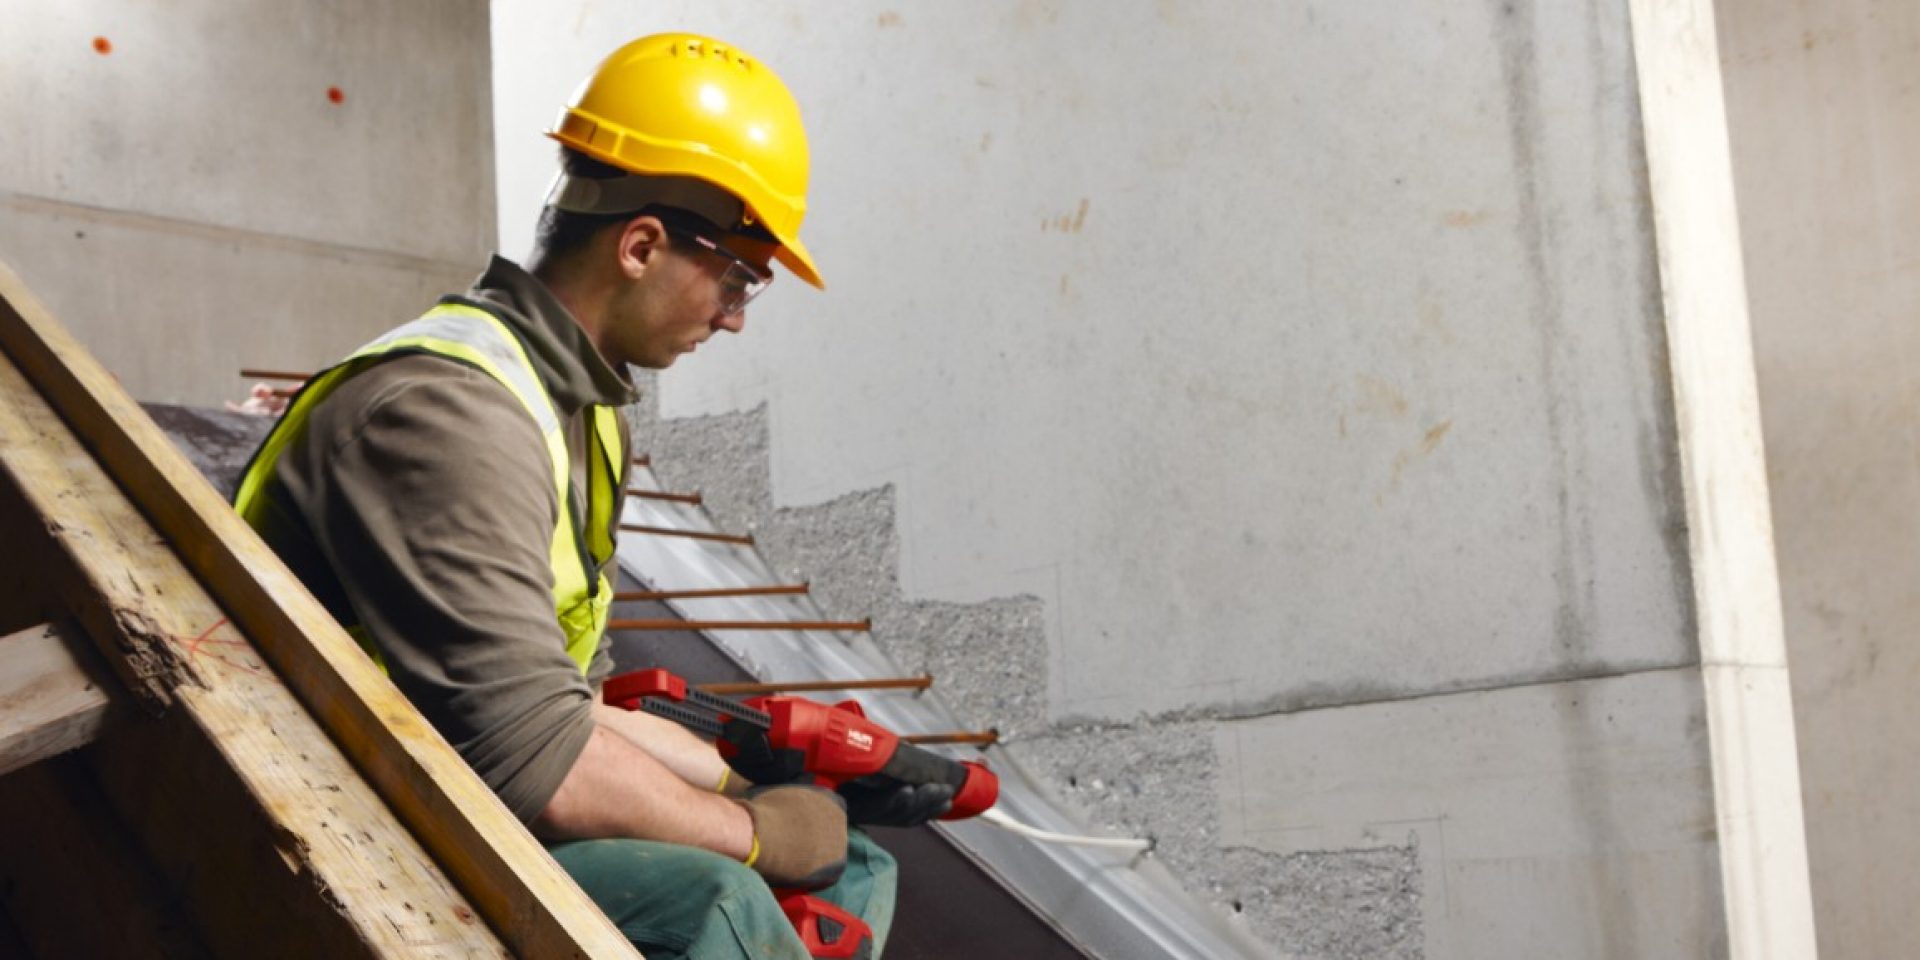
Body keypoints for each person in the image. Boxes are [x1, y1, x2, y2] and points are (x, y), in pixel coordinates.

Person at [233, 33, 943, 958]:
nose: (732, 316)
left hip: (442, 779)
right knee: (713, 900)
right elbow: (535, 757)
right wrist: (761, 833)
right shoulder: (447, 413)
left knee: (853, 866)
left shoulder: (580, 409)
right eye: (737, 278)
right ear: (642, 244)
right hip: (334, 820)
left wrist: (742, 783)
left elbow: (570, 702)